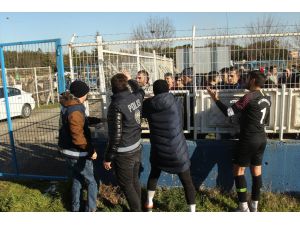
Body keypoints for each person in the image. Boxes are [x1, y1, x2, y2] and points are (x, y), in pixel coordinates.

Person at [207, 70, 271, 212]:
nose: (245, 81)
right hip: (262, 139)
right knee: (256, 172)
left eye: (247, 78)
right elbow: (265, 121)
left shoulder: (249, 97)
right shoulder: (267, 98)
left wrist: (215, 99)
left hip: (248, 139)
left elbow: (229, 112)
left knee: (239, 171)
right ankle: (254, 205)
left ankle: (243, 207)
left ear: (253, 80)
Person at [142, 80, 196, 212]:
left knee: (154, 175)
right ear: (168, 89)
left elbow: (142, 111)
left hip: (158, 150)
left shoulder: (148, 104)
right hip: (177, 151)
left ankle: (149, 203)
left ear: (154, 91)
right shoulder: (175, 101)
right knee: (187, 183)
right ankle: (193, 211)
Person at [103, 71, 145, 212]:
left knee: (127, 185)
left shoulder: (116, 106)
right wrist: (131, 79)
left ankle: (137, 213)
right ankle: (139, 209)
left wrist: (108, 158)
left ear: (112, 87)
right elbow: (140, 89)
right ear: (126, 84)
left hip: (125, 152)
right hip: (137, 146)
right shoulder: (136, 96)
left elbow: (116, 136)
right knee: (134, 181)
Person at [58, 80, 98, 212]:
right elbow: (78, 137)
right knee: (91, 181)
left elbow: (77, 123)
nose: (87, 96)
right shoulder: (75, 109)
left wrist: (94, 120)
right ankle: (91, 209)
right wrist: (91, 151)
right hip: (77, 152)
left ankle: (75, 209)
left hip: (67, 151)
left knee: (77, 179)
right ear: (82, 94)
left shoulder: (67, 104)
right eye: (86, 93)